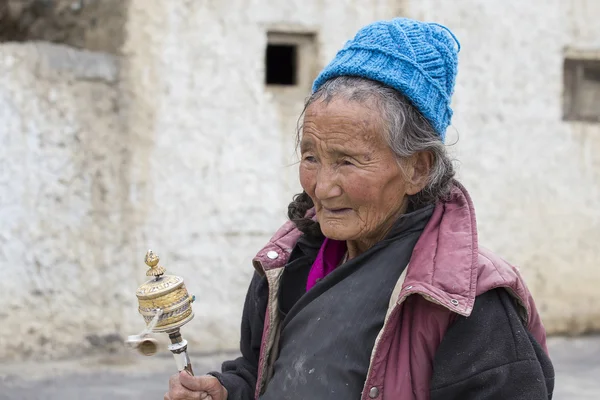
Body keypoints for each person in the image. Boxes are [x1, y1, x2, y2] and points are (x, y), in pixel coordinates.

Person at [165, 17, 555, 400]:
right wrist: (228, 391)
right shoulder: (290, 263)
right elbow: (264, 372)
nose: (322, 186)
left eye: (348, 161)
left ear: (418, 168)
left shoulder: (467, 299)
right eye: (311, 156)